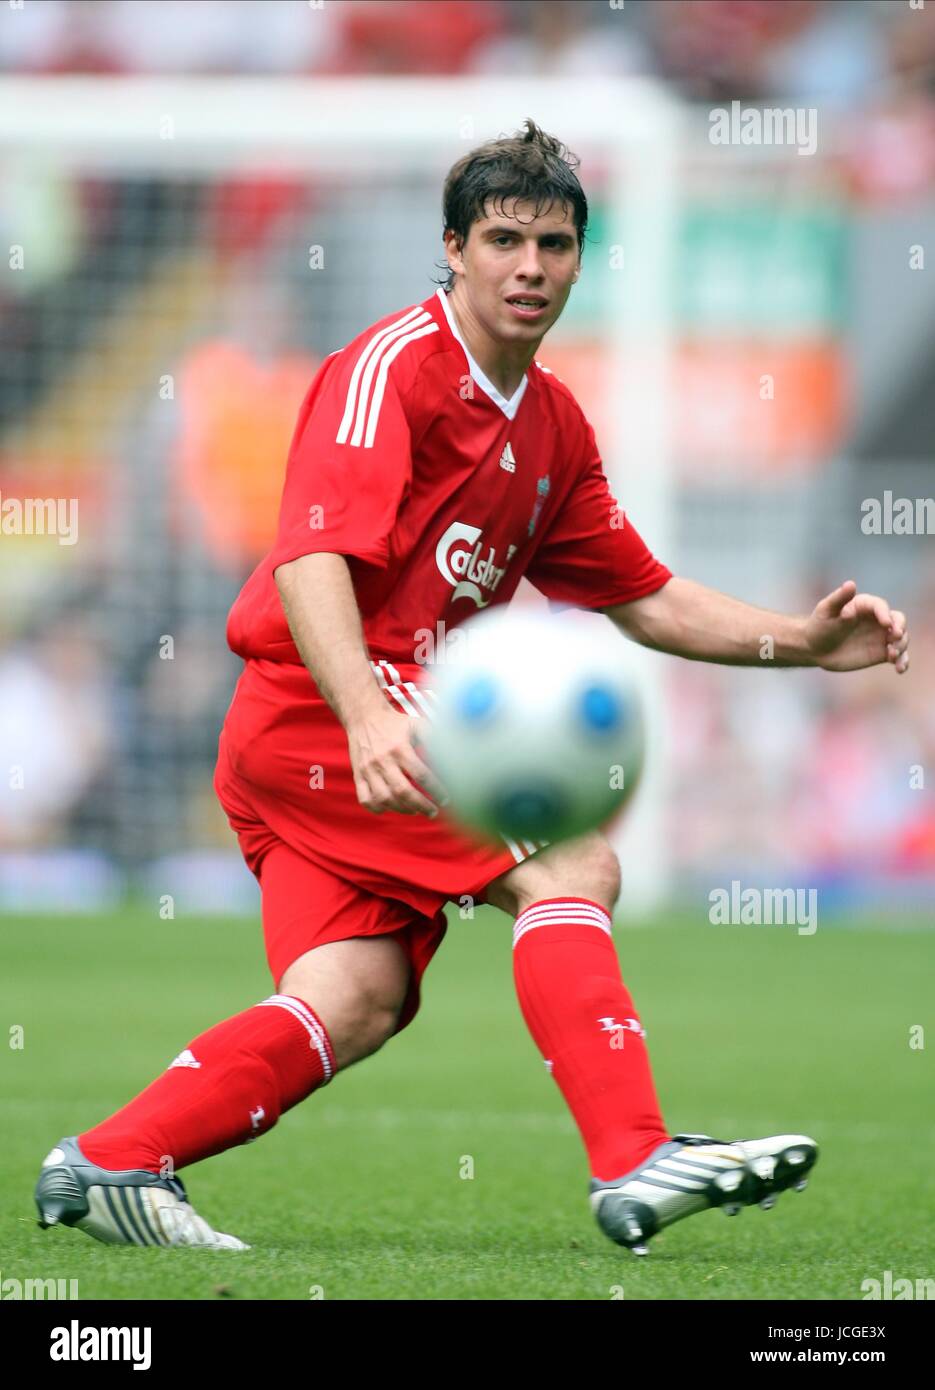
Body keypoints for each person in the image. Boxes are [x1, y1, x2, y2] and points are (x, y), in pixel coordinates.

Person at [35, 120, 910, 1257]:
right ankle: (635, 1155)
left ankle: (106, 1162)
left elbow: (638, 595)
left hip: (350, 725)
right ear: (453, 247)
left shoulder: (552, 426)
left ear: (579, 260)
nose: (527, 266)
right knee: (569, 858)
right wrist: (362, 715)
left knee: (356, 996)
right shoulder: (390, 368)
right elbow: (310, 557)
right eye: (501, 239)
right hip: (322, 706)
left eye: (551, 243)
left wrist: (799, 641)